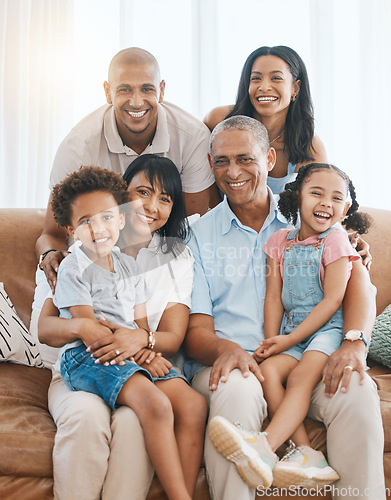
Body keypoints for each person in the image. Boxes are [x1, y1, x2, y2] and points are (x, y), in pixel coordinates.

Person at [184, 115, 385, 500]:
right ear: (210, 166)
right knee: (235, 388)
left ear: (270, 159)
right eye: (222, 161)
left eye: (245, 158)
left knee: (356, 388)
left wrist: (355, 343)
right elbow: (194, 334)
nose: (233, 171)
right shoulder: (197, 236)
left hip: (305, 355)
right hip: (233, 361)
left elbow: (356, 284)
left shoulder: (310, 211)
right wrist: (232, 352)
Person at [38, 155, 206, 500]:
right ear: (123, 197)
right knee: (110, 415)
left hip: (133, 358)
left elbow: (164, 334)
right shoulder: (73, 260)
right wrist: (124, 344)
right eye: (142, 192)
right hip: (87, 358)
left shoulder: (164, 259)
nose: (150, 205)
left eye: (164, 197)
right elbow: (70, 326)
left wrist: (144, 347)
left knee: (177, 409)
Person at [208, 163, 372, 489]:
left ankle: (265, 447)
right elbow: (273, 297)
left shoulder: (337, 242)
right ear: (297, 196)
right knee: (268, 373)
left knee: (298, 378)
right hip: (291, 331)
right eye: (316, 193)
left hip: (327, 331)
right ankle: (308, 453)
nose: (325, 202)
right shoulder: (280, 241)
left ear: (346, 209)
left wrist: (290, 340)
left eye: (336, 197)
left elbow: (333, 301)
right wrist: (273, 341)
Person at [36, 46, 220, 293]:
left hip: (160, 265)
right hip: (97, 266)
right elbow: (51, 234)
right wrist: (49, 255)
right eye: (124, 89)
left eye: (147, 88)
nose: (136, 101)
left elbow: (191, 228)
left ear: (162, 90)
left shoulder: (193, 138)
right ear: (108, 92)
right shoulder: (79, 146)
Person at [203, 45, 327, 195]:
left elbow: (314, 204)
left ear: (295, 87)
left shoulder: (309, 147)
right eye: (256, 78)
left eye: (276, 78)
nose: (264, 87)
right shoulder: (218, 120)